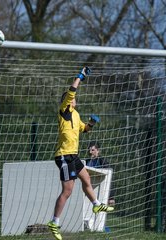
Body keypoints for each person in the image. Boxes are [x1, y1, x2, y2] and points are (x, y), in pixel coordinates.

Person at [47, 67, 114, 240]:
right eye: (72, 98)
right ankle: (54, 222)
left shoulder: (75, 114)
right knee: (67, 191)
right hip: (64, 156)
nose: (74, 99)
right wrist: (80, 76)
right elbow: (71, 92)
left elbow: (84, 129)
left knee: (87, 179)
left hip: (74, 156)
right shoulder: (64, 111)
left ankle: (96, 205)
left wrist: (91, 123)